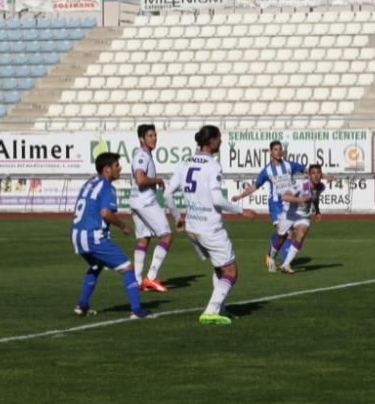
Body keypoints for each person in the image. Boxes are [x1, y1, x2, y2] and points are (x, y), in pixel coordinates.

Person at [165, 125, 256, 326]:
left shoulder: (184, 162)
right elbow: (217, 199)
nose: (221, 141)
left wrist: (177, 216)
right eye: (219, 138)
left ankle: (221, 308)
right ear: (211, 140)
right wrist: (242, 211)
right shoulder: (212, 165)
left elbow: (166, 194)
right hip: (210, 228)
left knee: (219, 267)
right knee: (231, 271)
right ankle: (211, 310)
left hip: (192, 226)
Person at [71, 152, 149, 319]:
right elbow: (105, 213)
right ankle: (136, 310)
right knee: (128, 268)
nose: (119, 168)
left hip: (77, 235)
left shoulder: (89, 183)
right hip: (94, 237)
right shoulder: (107, 187)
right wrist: (123, 225)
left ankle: (82, 305)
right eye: (116, 165)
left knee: (96, 266)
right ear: (107, 169)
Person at [232, 140, 306, 272]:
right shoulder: (267, 170)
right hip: (276, 204)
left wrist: (322, 175)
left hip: (289, 204)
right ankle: (283, 262)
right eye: (276, 149)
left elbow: (305, 169)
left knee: (289, 233)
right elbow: (255, 186)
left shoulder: (289, 165)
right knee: (287, 233)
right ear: (271, 152)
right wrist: (240, 196)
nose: (279, 151)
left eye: (280, 149)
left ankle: (278, 256)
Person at [130, 124, 173, 293]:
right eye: (150, 135)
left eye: (154, 135)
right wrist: (157, 180)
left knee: (143, 239)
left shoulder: (143, 155)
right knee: (167, 237)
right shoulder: (142, 155)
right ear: (141, 139)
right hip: (145, 202)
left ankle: (137, 281)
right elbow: (140, 179)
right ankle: (152, 277)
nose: (154, 138)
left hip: (135, 202)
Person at [271, 164, 325, 274]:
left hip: (303, 216)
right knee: (281, 238)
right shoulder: (301, 185)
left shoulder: (321, 187)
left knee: (300, 235)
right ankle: (271, 257)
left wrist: (318, 211)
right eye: (313, 173)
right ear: (309, 175)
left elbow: (315, 198)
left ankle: (286, 265)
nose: (316, 175)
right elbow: (285, 197)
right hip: (289, 213)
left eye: (318, 173)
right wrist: (300, 199)